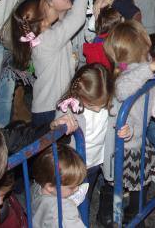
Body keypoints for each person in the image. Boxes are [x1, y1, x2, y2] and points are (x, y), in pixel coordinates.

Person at [10, 0, 97, 129]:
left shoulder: (46, 35)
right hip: (50, 110)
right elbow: (77, 19)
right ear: (41, 21)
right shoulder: (47, 40)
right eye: (48, 5)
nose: (52, 5)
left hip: (52, 106)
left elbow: (66, 21)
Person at [101, 20, 155, 226]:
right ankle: (110, 215)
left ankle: (134, 215)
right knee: (116, 184)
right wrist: (149, 67)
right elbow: (123, 88)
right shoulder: (132, 72)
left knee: (141, 182)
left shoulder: (142, 66)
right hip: (122, 144)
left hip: (138, 140)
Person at [55, 64, 131, 209]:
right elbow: (55, 126)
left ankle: (95, 214)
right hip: (76, 163)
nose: (97, 109)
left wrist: (127, 132)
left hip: (98, 160)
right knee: (76, 200)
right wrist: (56, 124)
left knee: (88, 192)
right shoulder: (69, 106)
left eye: (101, 105)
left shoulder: (111, 101)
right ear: (78, 93)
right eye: (92, 105)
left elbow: (123, 122)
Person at [30, 145, 88, 228]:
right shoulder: (64, 210)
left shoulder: (37, 186)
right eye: (71, 187)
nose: (77, 189)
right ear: (50, 186)